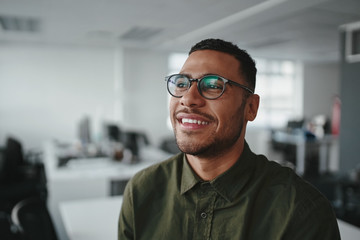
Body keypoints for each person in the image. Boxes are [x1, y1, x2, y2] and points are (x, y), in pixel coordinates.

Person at [118, 39, 340, 239]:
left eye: (213, 85)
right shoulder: (142, 190)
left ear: (251, 107)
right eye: (182, 83)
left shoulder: (300, 210)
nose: (188, 98)